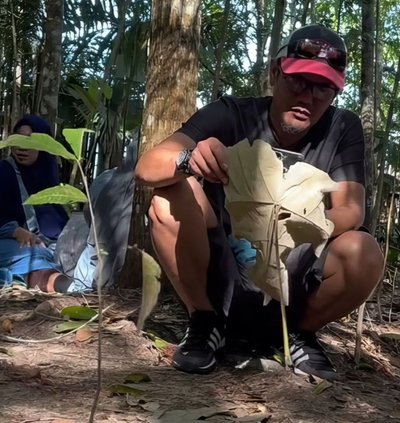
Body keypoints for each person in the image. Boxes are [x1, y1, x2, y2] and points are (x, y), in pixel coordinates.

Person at [135, 24, 384, 379]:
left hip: (295, 274)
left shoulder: (342, 128)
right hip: (224, 272)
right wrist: (189, 160)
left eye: (324, 89)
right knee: (168, 198)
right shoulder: (231, 114)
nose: (309, 97)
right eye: (299, 81)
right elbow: (147, 167)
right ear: (274, 72)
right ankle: (205, 322)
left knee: (364, 251)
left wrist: (299, 223)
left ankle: (298, 335)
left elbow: (352, 209)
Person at [0, 115, 71, 292]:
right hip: (9, 241)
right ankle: (68, 287)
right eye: (18, 140)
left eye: (30, 141)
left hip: (49, 244)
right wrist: (15, 230)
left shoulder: (48, 173)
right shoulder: (4, 171)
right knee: (33, 255)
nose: (22, 147)